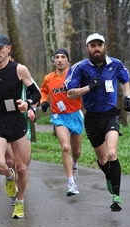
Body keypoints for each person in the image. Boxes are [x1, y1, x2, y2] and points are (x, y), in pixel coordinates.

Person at [0, 33, 41, 219]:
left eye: (0, 48)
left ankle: (19, 201)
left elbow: (36, 93)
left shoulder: (19, 70)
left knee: (22, 167)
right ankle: (9, 176)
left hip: (16, 120)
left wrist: (27, 104)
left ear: (8, 49)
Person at [65, 33, 130, 211]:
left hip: (111, 113)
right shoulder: (80, 68)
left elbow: (125, 78)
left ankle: (116, 197)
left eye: (99, 45)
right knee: (102, 160)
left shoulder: (115, 64)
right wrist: (89, 87)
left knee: (111, 153)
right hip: (92, 117)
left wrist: (127, 97)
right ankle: (109, 177)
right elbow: (70, 93)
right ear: (87, 48)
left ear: (104, 47)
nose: (96, 49)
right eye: (93, 45)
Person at [40, 48, 83, 197]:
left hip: (75, 115)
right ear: (54, 61)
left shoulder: (75, 75)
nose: (59, 60)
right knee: (65, 147)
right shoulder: (48, 78)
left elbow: (84, 89)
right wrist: (44, 101)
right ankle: (71, 183)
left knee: (76, 151)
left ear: (67, 60)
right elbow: (43, 91)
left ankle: (75, 165)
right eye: (57, 57)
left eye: (63, 57)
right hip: (59, 116)